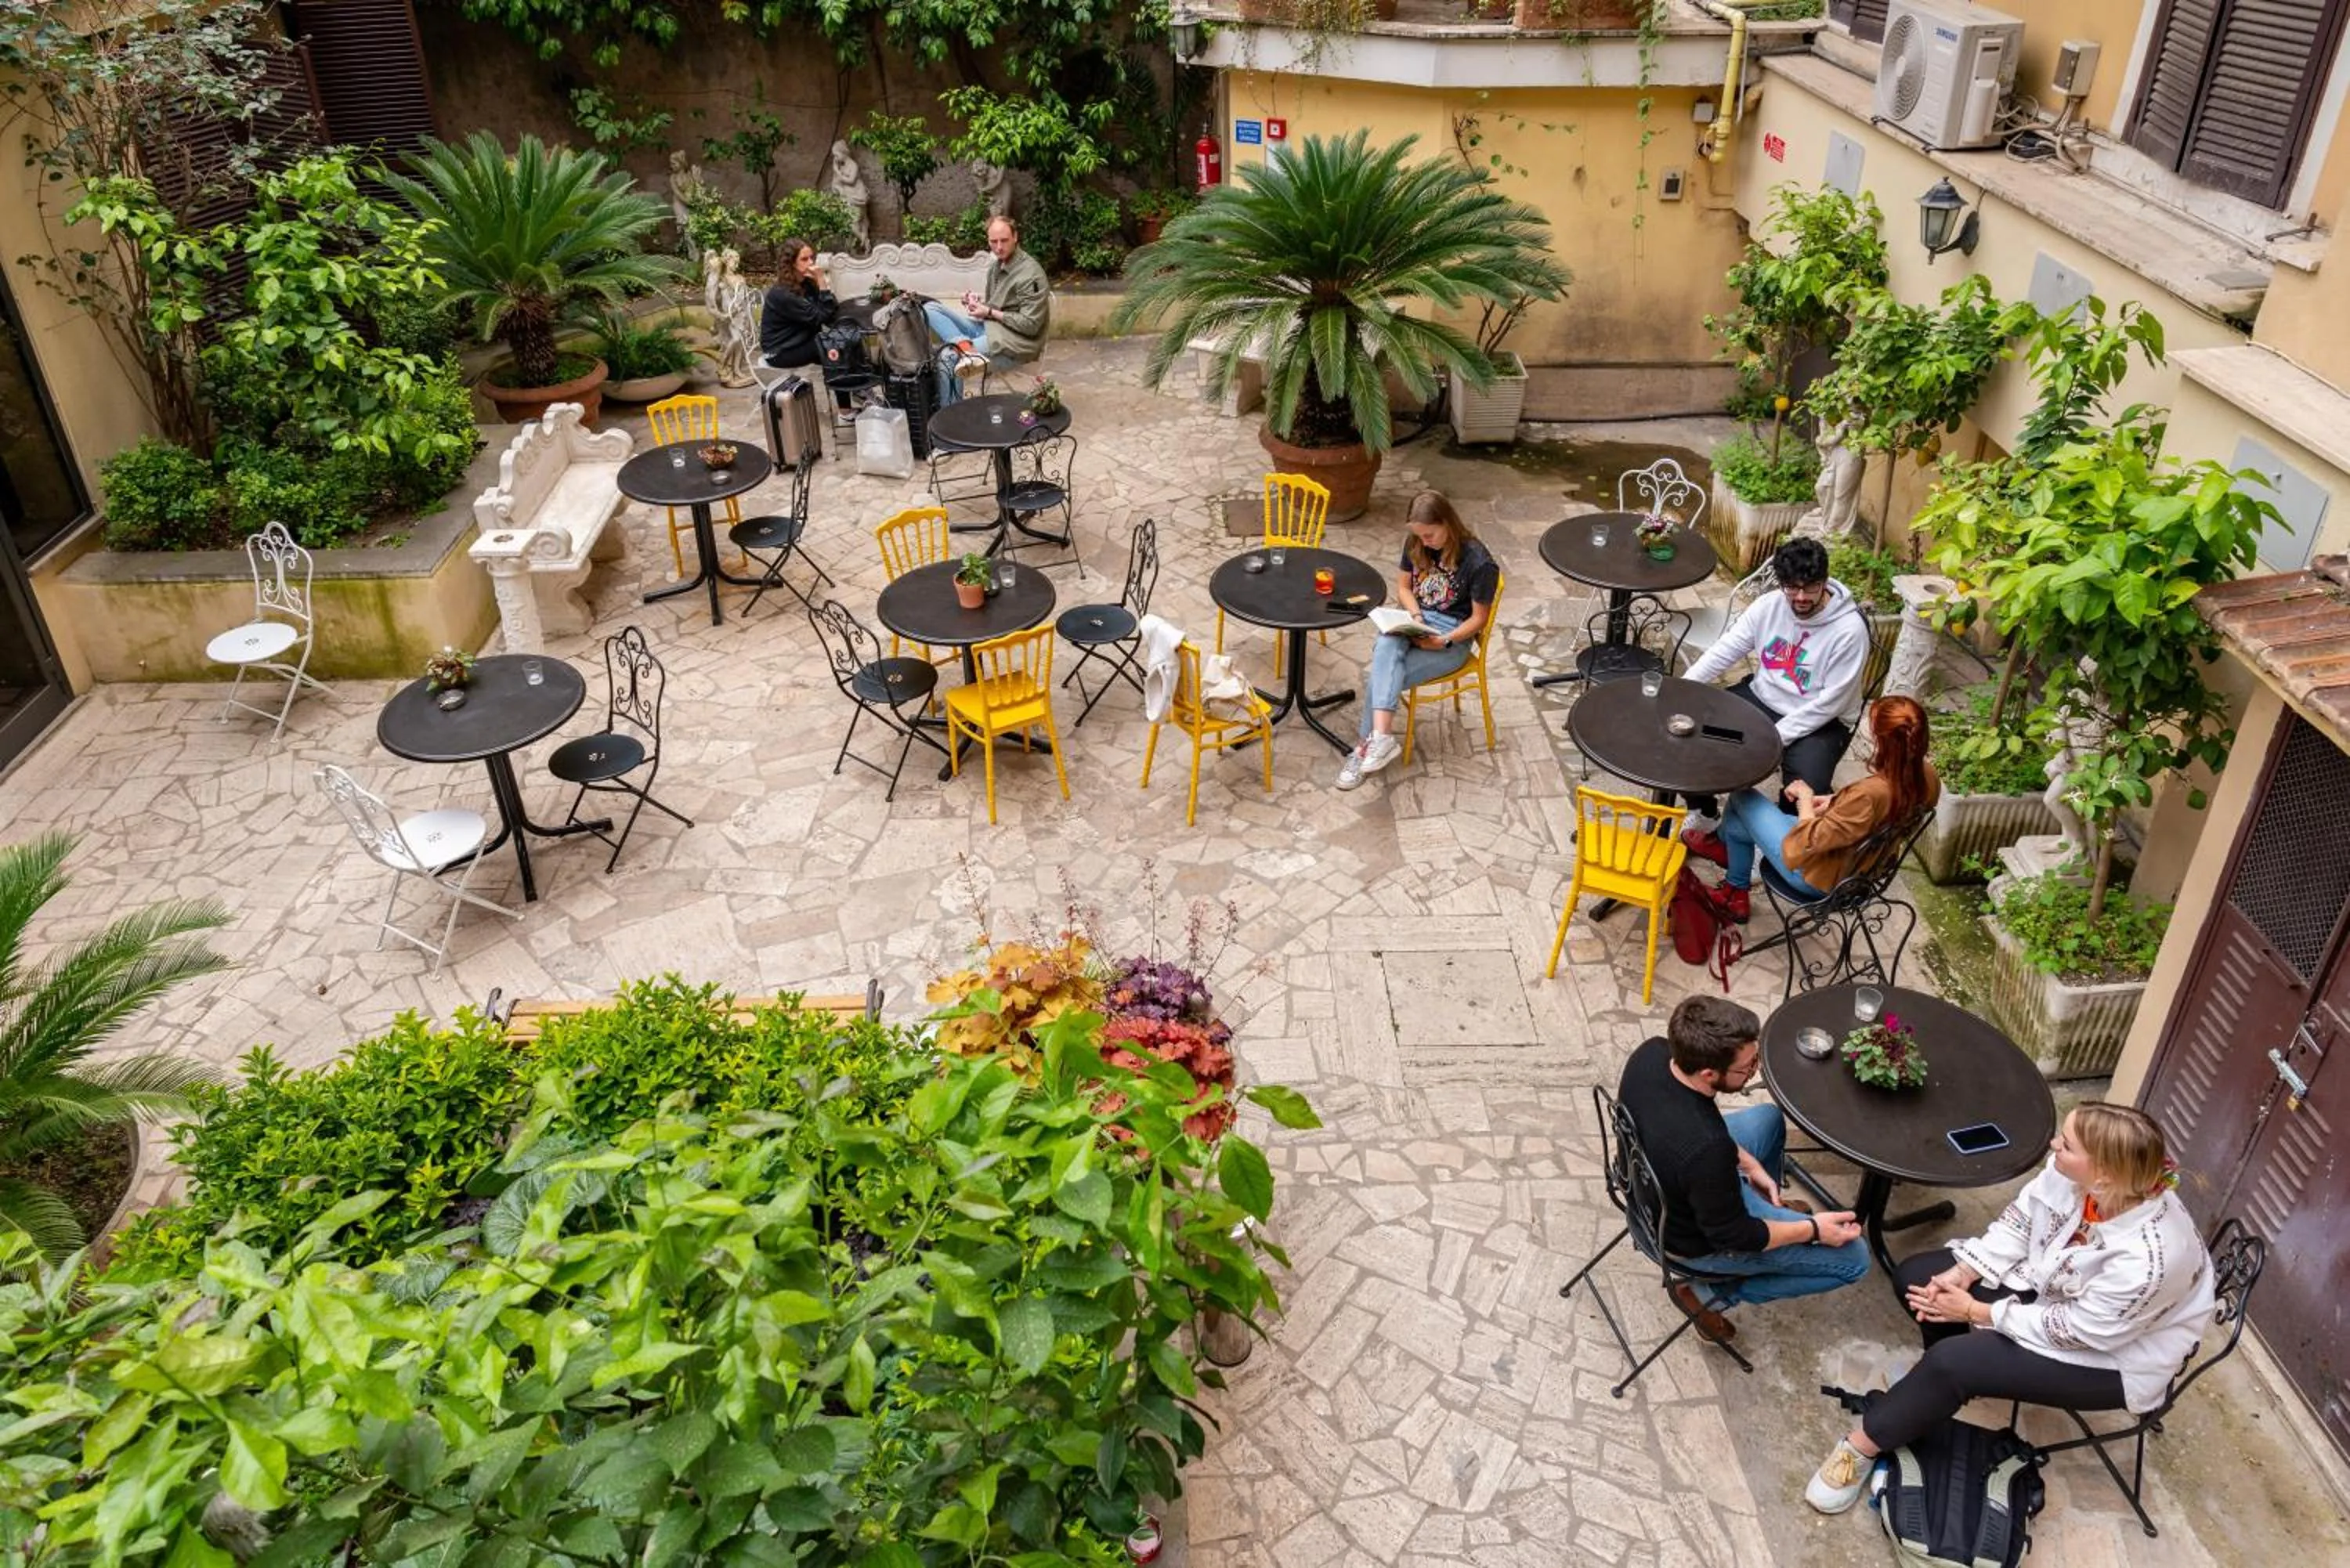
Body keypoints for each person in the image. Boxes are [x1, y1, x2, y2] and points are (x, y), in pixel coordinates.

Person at [1806, 1103, 2216, 1515]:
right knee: (1917, 1280)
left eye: (2067, 1144)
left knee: (1954, 1363)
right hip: (2055, 1294)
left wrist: (1973, 1312)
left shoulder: (2150, 1259)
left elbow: (2078, 1331)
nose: (2055, 1144)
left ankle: (1859, 1449)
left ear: (2105, 1172)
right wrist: (1965, 1272)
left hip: (2110, 1356)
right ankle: (1929, 1393)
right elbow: (2021, 1220)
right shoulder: (2084, 1176)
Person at [1615, 995, 1869, 1339]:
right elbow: (1736, 1236)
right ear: (1709, 1073)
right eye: (1747, 1067)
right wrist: (1813, 1229)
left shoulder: (1654, 1052)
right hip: (1685, 1238)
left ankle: (1766, 1207)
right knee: (1855, 1259)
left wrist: (1747, 1162)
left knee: (1768, 1119)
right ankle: (1705, 1296)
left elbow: (1696, 1129)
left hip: (1648, 1178)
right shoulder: (1706, 1151)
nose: (1755, 1070)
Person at [1685, 694, 1939, 924]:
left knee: (1742, 798)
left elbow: (1808, 842)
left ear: (1884, 743)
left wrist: (1806, 798)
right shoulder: (1927, 776)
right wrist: (1835, 801)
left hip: (1822, 879)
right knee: (1741, 824)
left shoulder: (1869, 795)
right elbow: (1875, 812)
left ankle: (1728, 867)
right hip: (1864, 871)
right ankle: (1733, 883)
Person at [1681, 536, 1871, 816]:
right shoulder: (1768, 606)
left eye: (1811, 588)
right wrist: (1682, 686)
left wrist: (1772, 738)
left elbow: (1832, 703)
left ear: (1825, 581)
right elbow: (1725, 651)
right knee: (1687, 738)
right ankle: (1705, 817)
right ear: (1781, 583)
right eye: (1792, 588)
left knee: (1804, 795)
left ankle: (1778, 847)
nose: (1802, 597)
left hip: (1823, 721)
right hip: (1763, 697)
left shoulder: (1850, 631)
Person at [1335, 492, 1500, 791]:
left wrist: (1445, 640)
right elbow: (1403, 587)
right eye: (1418, 535)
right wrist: (1416, 618)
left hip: (1453, 638)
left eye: (1429, 534)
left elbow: (1478, 620)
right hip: (1418, 620)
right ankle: (1381, 740)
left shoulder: (1479, 562)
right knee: (1387, 644)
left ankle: (1363, 749)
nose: (1424, 542)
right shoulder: (1416, 543)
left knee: (1381, 676)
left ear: (1447, 523)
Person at [920, 215, 1050, 406]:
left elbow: (1031, 326)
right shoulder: (997, 266)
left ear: (1016, 237)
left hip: (1016, 343)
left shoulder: (1030, 274)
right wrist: (976, 304)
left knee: (949, 358)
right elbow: (996, 306)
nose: (999, 247)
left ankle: (950, 419)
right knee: (930, 308)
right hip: (990, 328)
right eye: (993, 241)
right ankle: (965, 347)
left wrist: (989, 312)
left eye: (1004, 240)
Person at [758, 237, 837, 391]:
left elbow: (830, 309)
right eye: (804, 259)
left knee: (840, 346)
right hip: (779, 351)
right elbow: (820, 317)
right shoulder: (783, 294)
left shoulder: (806, 284)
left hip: (799, 341)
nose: (811, 263)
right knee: (833, 348)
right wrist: (822, 281)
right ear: (791, 263)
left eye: (811, 258)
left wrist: (819, 285)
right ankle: (846, 410)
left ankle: (856, 389)